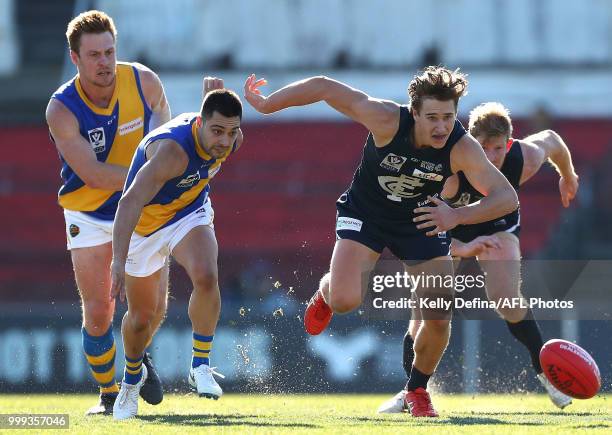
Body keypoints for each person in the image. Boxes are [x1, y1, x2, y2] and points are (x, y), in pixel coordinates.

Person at [244, 68, 518, 417]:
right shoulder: (386, 119)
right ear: (414, 111)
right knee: (345, 300)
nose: (440, 127)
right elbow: (325, 87)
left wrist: (457, 216)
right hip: (367, 214)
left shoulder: (462, 147)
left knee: (439, 313)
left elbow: (506, 197)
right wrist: (267, 105)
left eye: (448, 117)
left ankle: (417, 390)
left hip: (420, 222)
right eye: (432, 117)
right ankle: (326, 294)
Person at [377, 102, 579, 413]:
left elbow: (551, 139)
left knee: (507, 299)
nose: (491, 156)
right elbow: (420, 229)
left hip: (498, 226)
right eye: (482, 147)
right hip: (448, 229)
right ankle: (411, 392)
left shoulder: (522, 158)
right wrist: (463, 248)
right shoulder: (447, 172)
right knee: (426, 311)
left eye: (498, 148)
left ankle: (547, 376)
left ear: (508, 144)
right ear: (470, 142)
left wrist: (567, 174)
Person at [45, 10, 171, 415]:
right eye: (94, 54)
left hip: (144, 211)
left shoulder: (144, 81)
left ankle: (138, 356)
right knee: (100, 312)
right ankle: (108, 393)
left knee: (154, 309)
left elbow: (166, 140)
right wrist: (152, 177)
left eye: (109, 52)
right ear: (75, 58)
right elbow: (94, 174)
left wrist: (166, 171)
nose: (104, 62)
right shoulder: (61, 109)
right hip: (90, 213)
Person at [110, 88, 243, 420]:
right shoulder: (171, 152)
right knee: (142, 318)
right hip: (143, 227)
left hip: (187, 213)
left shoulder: (230, 139)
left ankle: (200, 365)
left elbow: (218, 127)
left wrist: (212, 96)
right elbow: (128, 202)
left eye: (231, 131)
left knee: (207, 275)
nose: (225, 141)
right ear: (199, 123)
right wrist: (116, 259)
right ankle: (130, 382)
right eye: (217, 131)